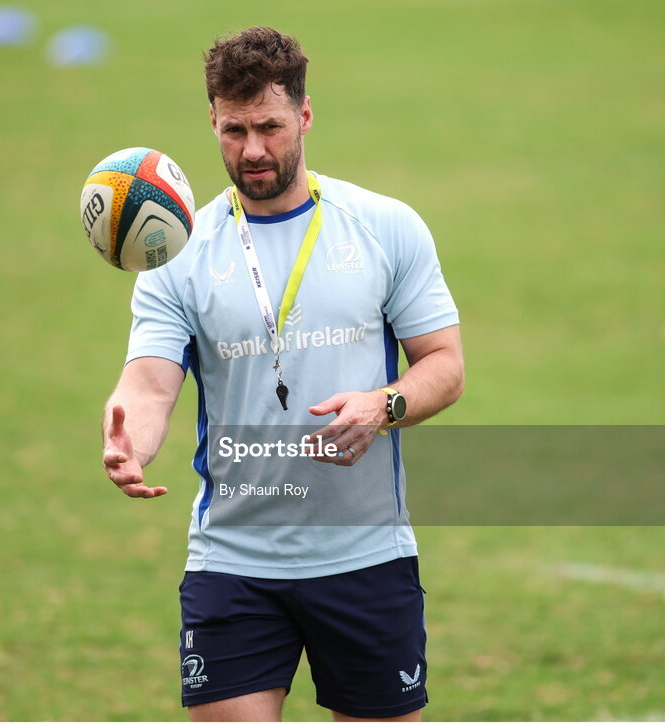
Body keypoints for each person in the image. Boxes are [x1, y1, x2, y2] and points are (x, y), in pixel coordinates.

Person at [102, 26, 464, 722]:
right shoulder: (178, 252)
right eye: (233, 130)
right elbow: (147, 386)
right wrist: (130, 442)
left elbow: (445, 366)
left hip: (365, 556)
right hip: (233, 562)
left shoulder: (385, 227)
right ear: (211, 119)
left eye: (269, 126)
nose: (254, 150)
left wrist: (384, 404)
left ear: (304, 114)